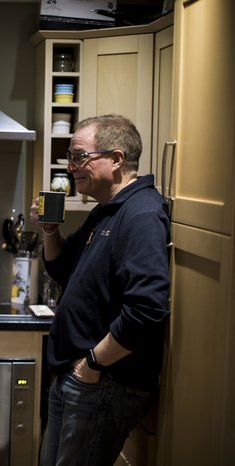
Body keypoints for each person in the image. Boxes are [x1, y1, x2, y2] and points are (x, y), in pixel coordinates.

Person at [30, 115, 171, 466]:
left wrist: (92, 363)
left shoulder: (141, 215)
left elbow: (147, 309)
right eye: (70, 157)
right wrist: (49, 231)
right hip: (78, 377)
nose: (72, 167)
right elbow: (61, 268)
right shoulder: (105, 211)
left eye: (79, 156)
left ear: (117, 159)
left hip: (103, 382)